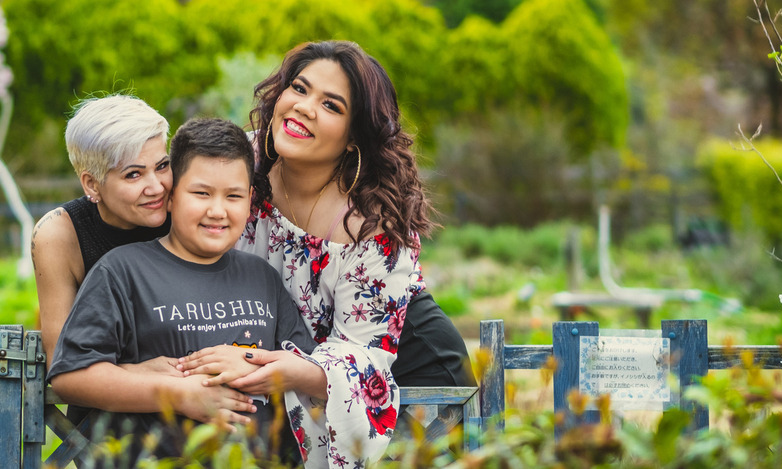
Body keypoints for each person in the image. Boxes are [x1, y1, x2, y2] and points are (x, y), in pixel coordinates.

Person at [178, 40, 472, 468]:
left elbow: (362, 352)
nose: (304, 108)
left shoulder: (371, 223)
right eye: (299, 88)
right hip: (291, 357)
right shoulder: (236, 163)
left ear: (354, 137)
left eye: (331, 106)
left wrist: (265, 364)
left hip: (401, 365)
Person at [48, 117, 317, 463]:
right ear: (171, 196)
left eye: (233, 196)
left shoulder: (262, 277)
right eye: (201, 193)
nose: (217, 210)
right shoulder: (122, 271)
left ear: (250, 199)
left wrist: (254, 364)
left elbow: (304, 365)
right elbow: (72, 376)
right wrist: (176, 393)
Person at [31, 95, 174, 367]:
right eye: (133, 174)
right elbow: (62, 361)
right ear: (92, 184)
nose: (156, 187)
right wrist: (140, 375)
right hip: (106, 402)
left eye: (162, 166)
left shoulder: (185, 210)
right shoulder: (60, 235)